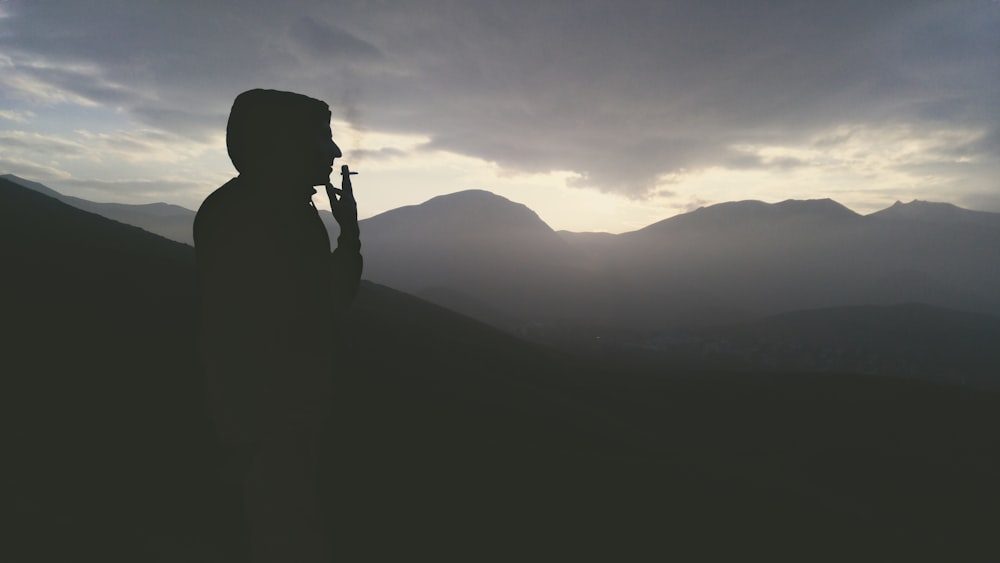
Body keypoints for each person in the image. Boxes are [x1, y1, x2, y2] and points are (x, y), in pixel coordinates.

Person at [193, 88, 362, 562]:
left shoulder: (248, 207)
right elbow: (323, 310)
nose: (334, 152)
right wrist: (348, 237)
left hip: (261, 432)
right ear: (283, 143)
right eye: (322, 138)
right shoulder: (274, 218)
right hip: (270, 438)